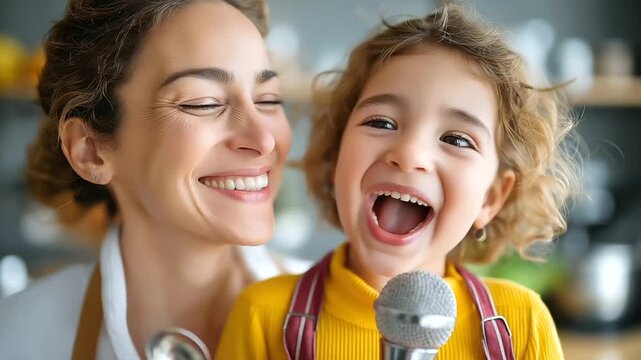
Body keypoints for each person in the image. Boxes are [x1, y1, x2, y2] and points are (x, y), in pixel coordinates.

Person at [216, 3, 580, 359]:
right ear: (335, 158)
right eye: (381, 123)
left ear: (492, 198)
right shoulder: (263, 315)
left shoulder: (522, 325)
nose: (409, 154)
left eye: (456, 140)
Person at [0, 0, 301, 358]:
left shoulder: (356, 325)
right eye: (203, 103)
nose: (265, 139)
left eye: (268, 99)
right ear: (91, 151)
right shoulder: (17, 336)